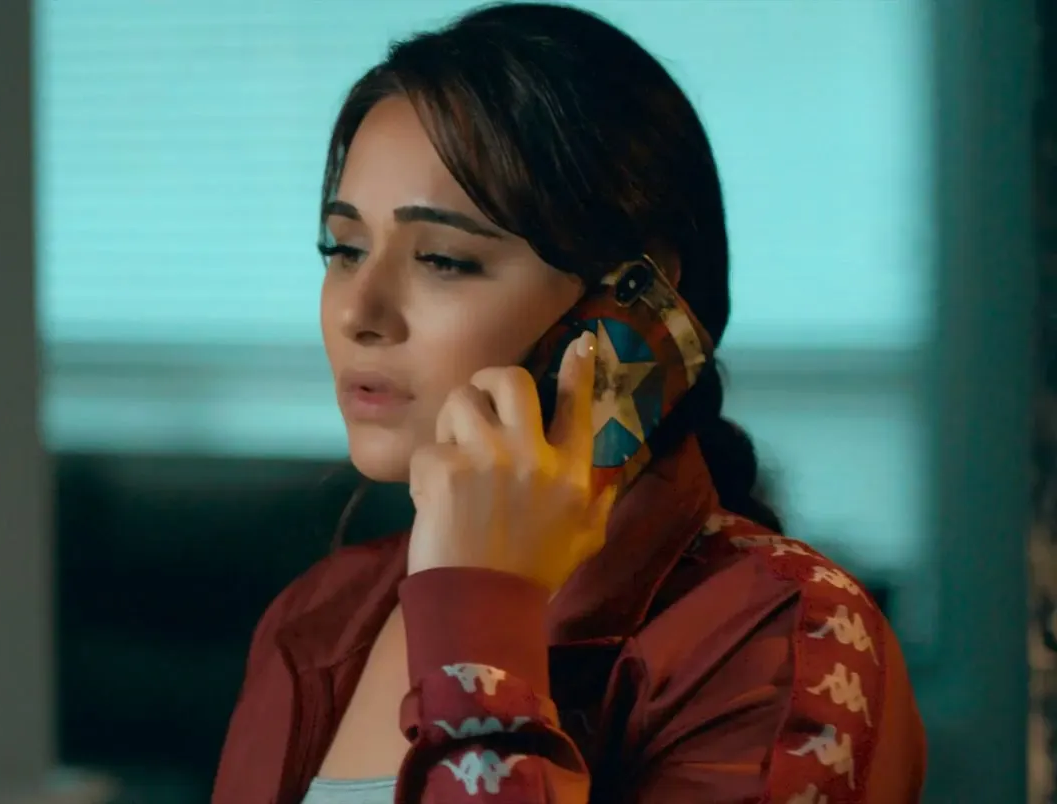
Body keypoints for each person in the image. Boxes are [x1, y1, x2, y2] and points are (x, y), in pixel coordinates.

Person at [209, 4, 926, 803]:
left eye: (443, 259)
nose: (357, 312)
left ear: (628, 304)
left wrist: (479, 622)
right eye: (344, 249)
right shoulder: (319, 616)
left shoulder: (786, 636)